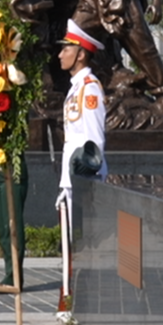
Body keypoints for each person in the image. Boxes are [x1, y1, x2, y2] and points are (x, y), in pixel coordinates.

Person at [57, 20, 107, 199]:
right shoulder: (76, 87)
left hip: (85, 174)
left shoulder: (89, 88)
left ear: (80, 55)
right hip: (73, 175)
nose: (60, 55)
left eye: (66, 50)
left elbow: (95, 138)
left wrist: (88, 172)